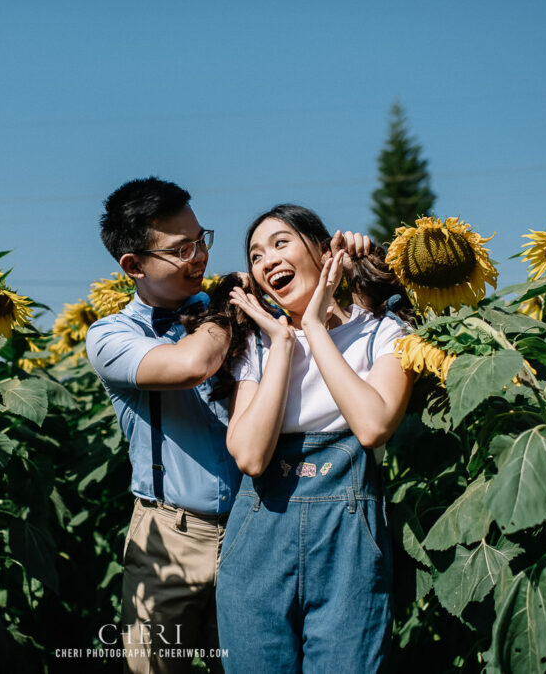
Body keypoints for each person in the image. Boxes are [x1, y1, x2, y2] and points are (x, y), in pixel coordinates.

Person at [86, 181, 371, 674]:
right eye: (181, 250)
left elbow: (330, 330)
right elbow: (191, 364)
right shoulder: (112, 336)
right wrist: (227, 306)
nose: (199, 257)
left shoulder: (242, 313)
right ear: (133, 266)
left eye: (202, 240)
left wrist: (350, 268)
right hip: (170, 538)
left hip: (257, 523)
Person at [214, 204, 416, 673]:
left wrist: (313, 327)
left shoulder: (382, 331)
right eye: (257, 255)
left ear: (325, 251)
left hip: (348, 540)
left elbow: (373, 425)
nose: (268, 260)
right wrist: (284, 344)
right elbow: (249, 456)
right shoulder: (260, 346)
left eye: (281, 243)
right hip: (259, 534)